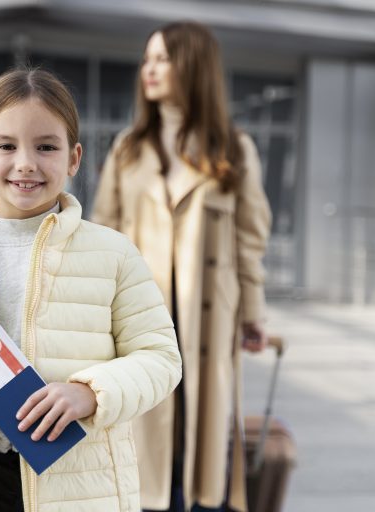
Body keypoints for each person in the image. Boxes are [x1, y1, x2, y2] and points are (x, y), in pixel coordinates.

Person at [0, 68, 183, 512]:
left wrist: (90, 392)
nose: (25, 163)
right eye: (6, 146)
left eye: (46, 147)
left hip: (77, 488)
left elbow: (161, 359)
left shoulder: (114, 255)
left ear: (73, 158)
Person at [92, 22, 272, 512]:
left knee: (199, 435)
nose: (148, 70)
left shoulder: (234, 149)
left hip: (207, 319)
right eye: (146, 59)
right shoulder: (128, 149)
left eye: (162, 59)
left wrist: (253, 313)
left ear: (192, 66)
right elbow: (103, 235)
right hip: (139, 317)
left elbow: (249, 239)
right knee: (143, 434)